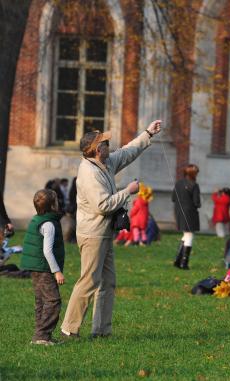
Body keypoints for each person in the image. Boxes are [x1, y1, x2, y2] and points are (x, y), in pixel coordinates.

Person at [60, 120, 162, 339]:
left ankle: (101, 330)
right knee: (89, 281)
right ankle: (69, 328)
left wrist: (147, 133)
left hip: (103, 233)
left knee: (108, 282)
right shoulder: (89, 173)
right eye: (106, 143)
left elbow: (127, 153)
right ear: (98, 150)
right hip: (92, 234)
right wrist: (128, 191)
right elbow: (102, 205)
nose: (110, 146)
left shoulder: (103, 163)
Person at [20, 189, 66, 345]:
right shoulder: (49, 224)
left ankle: (42, 336)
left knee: (41, 301)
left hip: (36, 267)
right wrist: (57, 271)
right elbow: (47, 250)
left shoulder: (37, 219)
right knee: (53, 301)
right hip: (44, 268)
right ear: (53, 205)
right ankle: (41, 336)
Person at [172, 164, 201, 270]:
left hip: (179, 211)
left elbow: (173, 198)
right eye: (196, 172)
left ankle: (177, 260)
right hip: (190, 213)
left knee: (185, 235)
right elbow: (197, 202)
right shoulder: (194, 185)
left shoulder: (178, 183)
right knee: (189, 236)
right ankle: (184, 263)